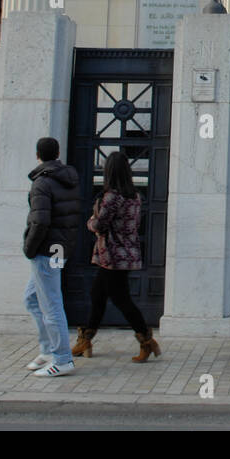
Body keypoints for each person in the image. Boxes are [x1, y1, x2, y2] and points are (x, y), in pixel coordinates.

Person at [71, 151, 161, 363]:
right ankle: (86, 339)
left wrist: (90, 221)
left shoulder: (112, 197)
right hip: (127, 253)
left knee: (121, 299)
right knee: (98, 295)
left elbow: (100, 225)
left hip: (112, 255)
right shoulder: (135, 196)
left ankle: (146, 341)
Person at [22, 136, 80, 377]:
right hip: (60, 247)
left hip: (46, 249)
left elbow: (40, 220)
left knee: (51, 304)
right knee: (33, 298)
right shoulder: (68, 178)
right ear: (57, 154)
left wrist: (29, 247)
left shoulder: (42, 183)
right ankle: (48, 350)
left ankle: (62, 358)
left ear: (38, 155)